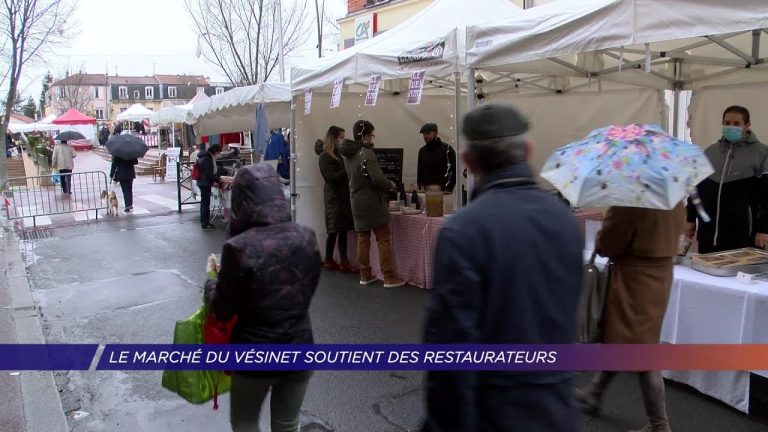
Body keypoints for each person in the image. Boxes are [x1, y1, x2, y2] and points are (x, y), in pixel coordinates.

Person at [422, 103, 583, 432]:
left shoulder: (463, 230)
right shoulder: (564, 220)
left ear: (468, 162)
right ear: (528, 150)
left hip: (494, 413)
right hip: (558, 407)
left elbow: (451, 352)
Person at [204, 164, 321, 432]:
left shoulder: (238, 247)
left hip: (255, 354)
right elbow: (308, 289)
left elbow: (222, 309)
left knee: (245, 422)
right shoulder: (306, 236)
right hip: (300, 346)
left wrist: (211, 284)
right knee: (288, 424)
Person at [575, 203, 685, 432]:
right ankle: (594, 393)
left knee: (640, 350)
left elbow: (610, 242)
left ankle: (659, 424)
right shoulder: (672, 193)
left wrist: (602, 235)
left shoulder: (632, 197)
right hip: (659, 274)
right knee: (621, 339)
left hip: (633, 280)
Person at [686, 105, 768, 253]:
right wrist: (689, 218)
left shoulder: (762, 153)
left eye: (736, 124)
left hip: (743, 236)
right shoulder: (711, 151)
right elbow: (695, 188)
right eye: (727, 123)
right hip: (708, 235)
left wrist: (764, 229)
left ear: (747, 125)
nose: (731, 127)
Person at [340, 120, 405, 288]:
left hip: (356, 200)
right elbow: (376, 179)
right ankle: (389, 277)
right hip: (372, 202)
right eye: (371, 135)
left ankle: (365, 274)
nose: (371, 138)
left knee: (363, 238)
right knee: (383, 239)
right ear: (365, 136)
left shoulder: (347, 154)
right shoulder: (366, 154)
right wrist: (390, 184)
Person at [315, 126, 355, 272]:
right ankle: (329, 259)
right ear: (334, 138)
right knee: (334, 229)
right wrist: (347, 169)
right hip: (334, 197)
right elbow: (330, 177)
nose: (343, 141)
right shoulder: (325, 156)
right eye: (341, 137)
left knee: (342, 229)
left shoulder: (338, 155)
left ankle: (342, 261)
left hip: (342, 196)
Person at [417, 123, 457, 192]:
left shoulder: (447, 149)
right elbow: (420, 172)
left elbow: (452, 172)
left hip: (444, 192)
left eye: (428, 133)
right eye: (424, 134)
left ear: (435, 133)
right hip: (427, 192)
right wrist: (421, 187)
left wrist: (448, 189)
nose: (425, 136)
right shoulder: (422, 151)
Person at [196, 143, 223, 230]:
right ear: (215, 151)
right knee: (205, 204)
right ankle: (205, 223)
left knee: (204, 203)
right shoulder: (208, 159)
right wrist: (218, 180)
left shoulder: (203, 156)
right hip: (205, 183)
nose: (219, 154)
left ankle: (204, 222)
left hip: (202, 182)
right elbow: (209, 174)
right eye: (219, 152)